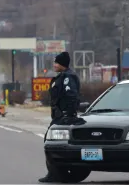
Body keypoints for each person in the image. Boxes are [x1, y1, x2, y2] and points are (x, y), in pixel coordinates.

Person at [38, 51, 81, 183]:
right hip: (58, 117)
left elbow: (71, 97)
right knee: (55, 144)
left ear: (62, 64)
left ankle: (54, 174)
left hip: (63, 118)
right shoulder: (62, 76)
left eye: (56, 62)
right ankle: (57, 173)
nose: (54, 64)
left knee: (51, 144)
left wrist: (67, 114)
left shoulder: (68, 77)